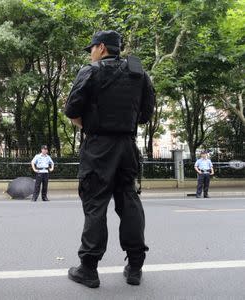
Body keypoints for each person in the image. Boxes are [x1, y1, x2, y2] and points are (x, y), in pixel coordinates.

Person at [64, 30, 155, 287]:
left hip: (98, 147)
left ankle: (89, 269)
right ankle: (135, 266)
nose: (91, 54)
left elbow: (72, 110)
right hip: (127, 146)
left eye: (91, 48)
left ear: (101, 47)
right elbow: (146, 114)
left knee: (95, 205)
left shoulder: (90, 72)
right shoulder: (139, 74)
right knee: (129, 202)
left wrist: (92, 124)